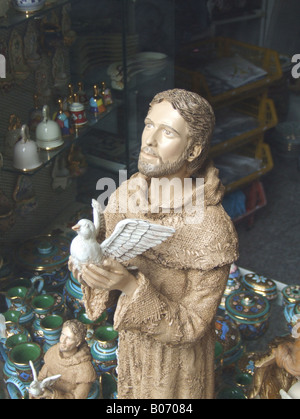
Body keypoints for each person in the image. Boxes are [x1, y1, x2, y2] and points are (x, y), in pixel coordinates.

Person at [69, 88, 239, 399]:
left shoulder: (211, 230)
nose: (149, 140)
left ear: (193, 150)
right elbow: (101, 253)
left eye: (168, 132)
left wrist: (131, 286)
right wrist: (88, 262)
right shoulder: (127, 194)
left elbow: (191, 326)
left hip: (177, 368)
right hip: (134, 346)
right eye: (149, 125)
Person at [32, 319, 97, 399]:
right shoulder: (53, 352)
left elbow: (77, 397)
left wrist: (52, 395)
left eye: (69, 338)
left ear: (78, 342)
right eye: (62, 334)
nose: (63, 341)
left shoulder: (85, 369)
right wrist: (37, 387)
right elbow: (42, 375)